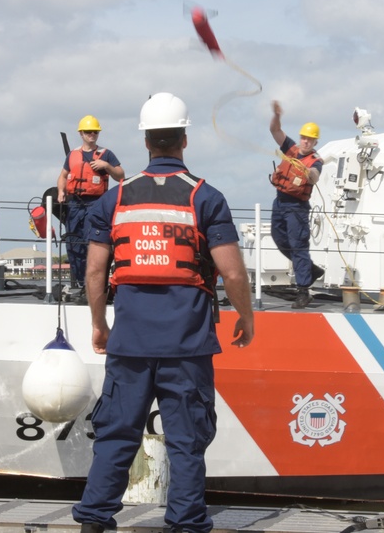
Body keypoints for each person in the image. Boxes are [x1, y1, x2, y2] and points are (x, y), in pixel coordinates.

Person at [72, 92, 255, 533]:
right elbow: (231, 273)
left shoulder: (115, 200)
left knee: (116, 436)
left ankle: (95, 520)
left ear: (146, 142)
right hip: (187, 346)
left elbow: (95, 273)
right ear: (184, 140)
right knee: (186, 442)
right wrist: (247, 317)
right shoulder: (205, 198)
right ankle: (186, 524)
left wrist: (100, 325)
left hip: (130, 343)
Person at [56, 115, 124, 302]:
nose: (92, 134)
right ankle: (78, 281)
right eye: (88, 132)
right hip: (74, 204)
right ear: (81, 134)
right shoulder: (72, 155)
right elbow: (62, 176)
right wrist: (61, 191)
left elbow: (120, 175)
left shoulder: (106, 154)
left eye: (95, 131)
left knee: (93, 243)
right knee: (74, 242)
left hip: (96, 203)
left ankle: (94, 283)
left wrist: (106, 166)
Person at [268, 100, 324, 309]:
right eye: (304, 138)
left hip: (296, 207)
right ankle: (311, 270)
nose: (305, 142)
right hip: (280, 201)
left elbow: (315, 176)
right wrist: (277, 115)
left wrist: (306, 171)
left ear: (315, 142)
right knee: (279, 238)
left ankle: (303, 291)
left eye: (310, 140)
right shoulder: (291, 148)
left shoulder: (315, 161)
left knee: (298, 246)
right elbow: (275, 130)